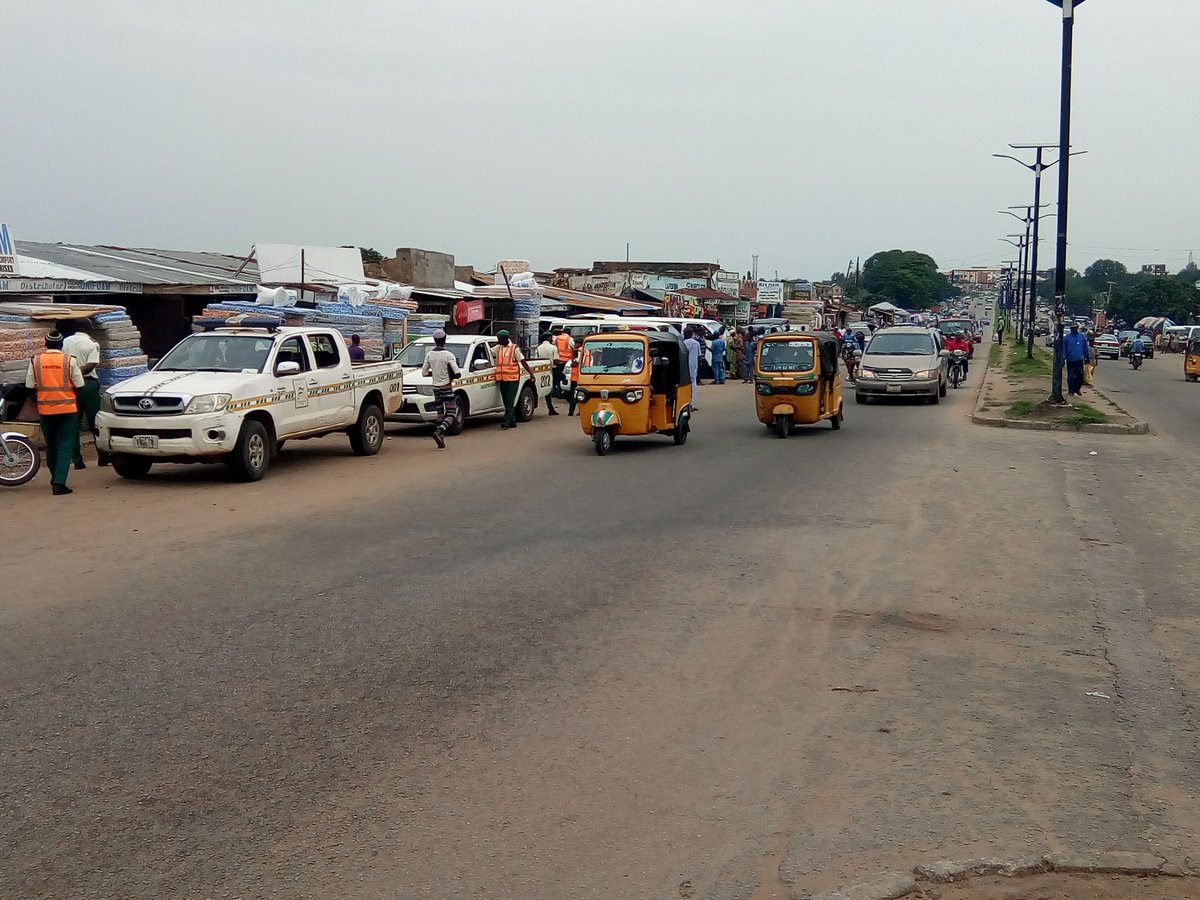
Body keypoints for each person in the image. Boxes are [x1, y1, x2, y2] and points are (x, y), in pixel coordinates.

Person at [27, 330, 85, 495]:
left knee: (50, 444)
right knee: (65, 445)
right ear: (61, 345)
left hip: (45, 410)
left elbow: (30, 387)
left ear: (46, 344)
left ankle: (55, 478)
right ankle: (59, 483)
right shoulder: (69, 361)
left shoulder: (35, 361)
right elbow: (80, 385)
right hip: (67, 410)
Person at [63, 319, 104, 469]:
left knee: (73, 423)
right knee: (97, 422)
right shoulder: (93, 344)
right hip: (87, 384)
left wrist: (71, 375)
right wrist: (76, 374)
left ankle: (77, 460)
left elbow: (63, 362)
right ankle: (103, 456)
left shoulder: (66, 342)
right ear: (87, 328)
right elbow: (91, 365)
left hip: (69, 385)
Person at [421, 330, 461, 449]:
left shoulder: (429, 354)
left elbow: (424, 373)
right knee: (452, 413)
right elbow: (457, 373)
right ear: (444, 340)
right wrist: (449, 376)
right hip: (446, 387)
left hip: (435, 388)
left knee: (440, 413)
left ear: (435, 340)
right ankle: (440, 431)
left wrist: (434, 374)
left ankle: (441, 437)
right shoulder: (448, 355)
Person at [495, 330, 535, 429]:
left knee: (509, 400)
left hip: (512, 379)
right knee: (505, 401)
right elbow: (488, 352)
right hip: (502, 379)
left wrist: (531, 373)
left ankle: (507, 421)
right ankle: (512, 421)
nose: (498, 340)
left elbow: (523, 361)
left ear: (505, 339)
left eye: (499, 339)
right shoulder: (498, 348)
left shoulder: (514, 348)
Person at [536, 332, 560, 415]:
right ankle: (551, 408)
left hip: (541, 370)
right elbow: (556, 361)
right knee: (550, 388)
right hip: (550, 370)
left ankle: (550, 408)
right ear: (549, 338)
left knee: (545, 388)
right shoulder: (553, 348)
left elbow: (536, 359)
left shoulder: (538, 348)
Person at [1064, 323, 1090, 396]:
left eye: (1075, 328)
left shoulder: (1081, 336)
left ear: (1077, 328)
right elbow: (1064, 349)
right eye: (1072, 328)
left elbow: (1085, 347)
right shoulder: (1067, 338)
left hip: (1079, 360)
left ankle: (1077, 389)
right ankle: (1071, 391)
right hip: (1070, 360)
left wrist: (1087, 357)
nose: (1074, 329)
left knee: (1080, 375)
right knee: (1071, 376)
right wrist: (1063, 358)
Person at [551, 326, 574, 401]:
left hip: (558, 361)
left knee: (557, 377)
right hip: (566, 361)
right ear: (569, 333)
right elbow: (573, 347)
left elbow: (553, 346)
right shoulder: (570, 339)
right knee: (564, 377)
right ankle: (564, 392)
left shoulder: (556, 338)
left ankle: (558, 393)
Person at [683, 327, 701, 409]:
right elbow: (699, 356)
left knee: (684, 386)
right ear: (692, 334)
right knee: (693, 385)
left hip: (684, 367)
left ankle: (684, 404)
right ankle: (692, 405)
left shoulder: (682, 343)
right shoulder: (695, 343)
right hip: (693, 367)